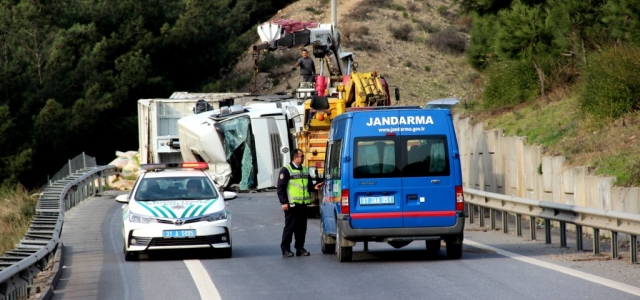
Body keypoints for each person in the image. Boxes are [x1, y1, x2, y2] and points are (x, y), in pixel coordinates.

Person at [277, 149, 323, 257]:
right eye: (301, 156)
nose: (303, 158)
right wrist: (284, 202)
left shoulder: (305, 170)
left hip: (303, 204)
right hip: (292, 204)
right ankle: (286, 249)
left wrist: (314, 187)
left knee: (302, 228)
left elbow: (308, 185)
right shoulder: (286, 170)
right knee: (290, 227)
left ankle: (299, 248)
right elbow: (281, 188)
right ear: (295, 158)